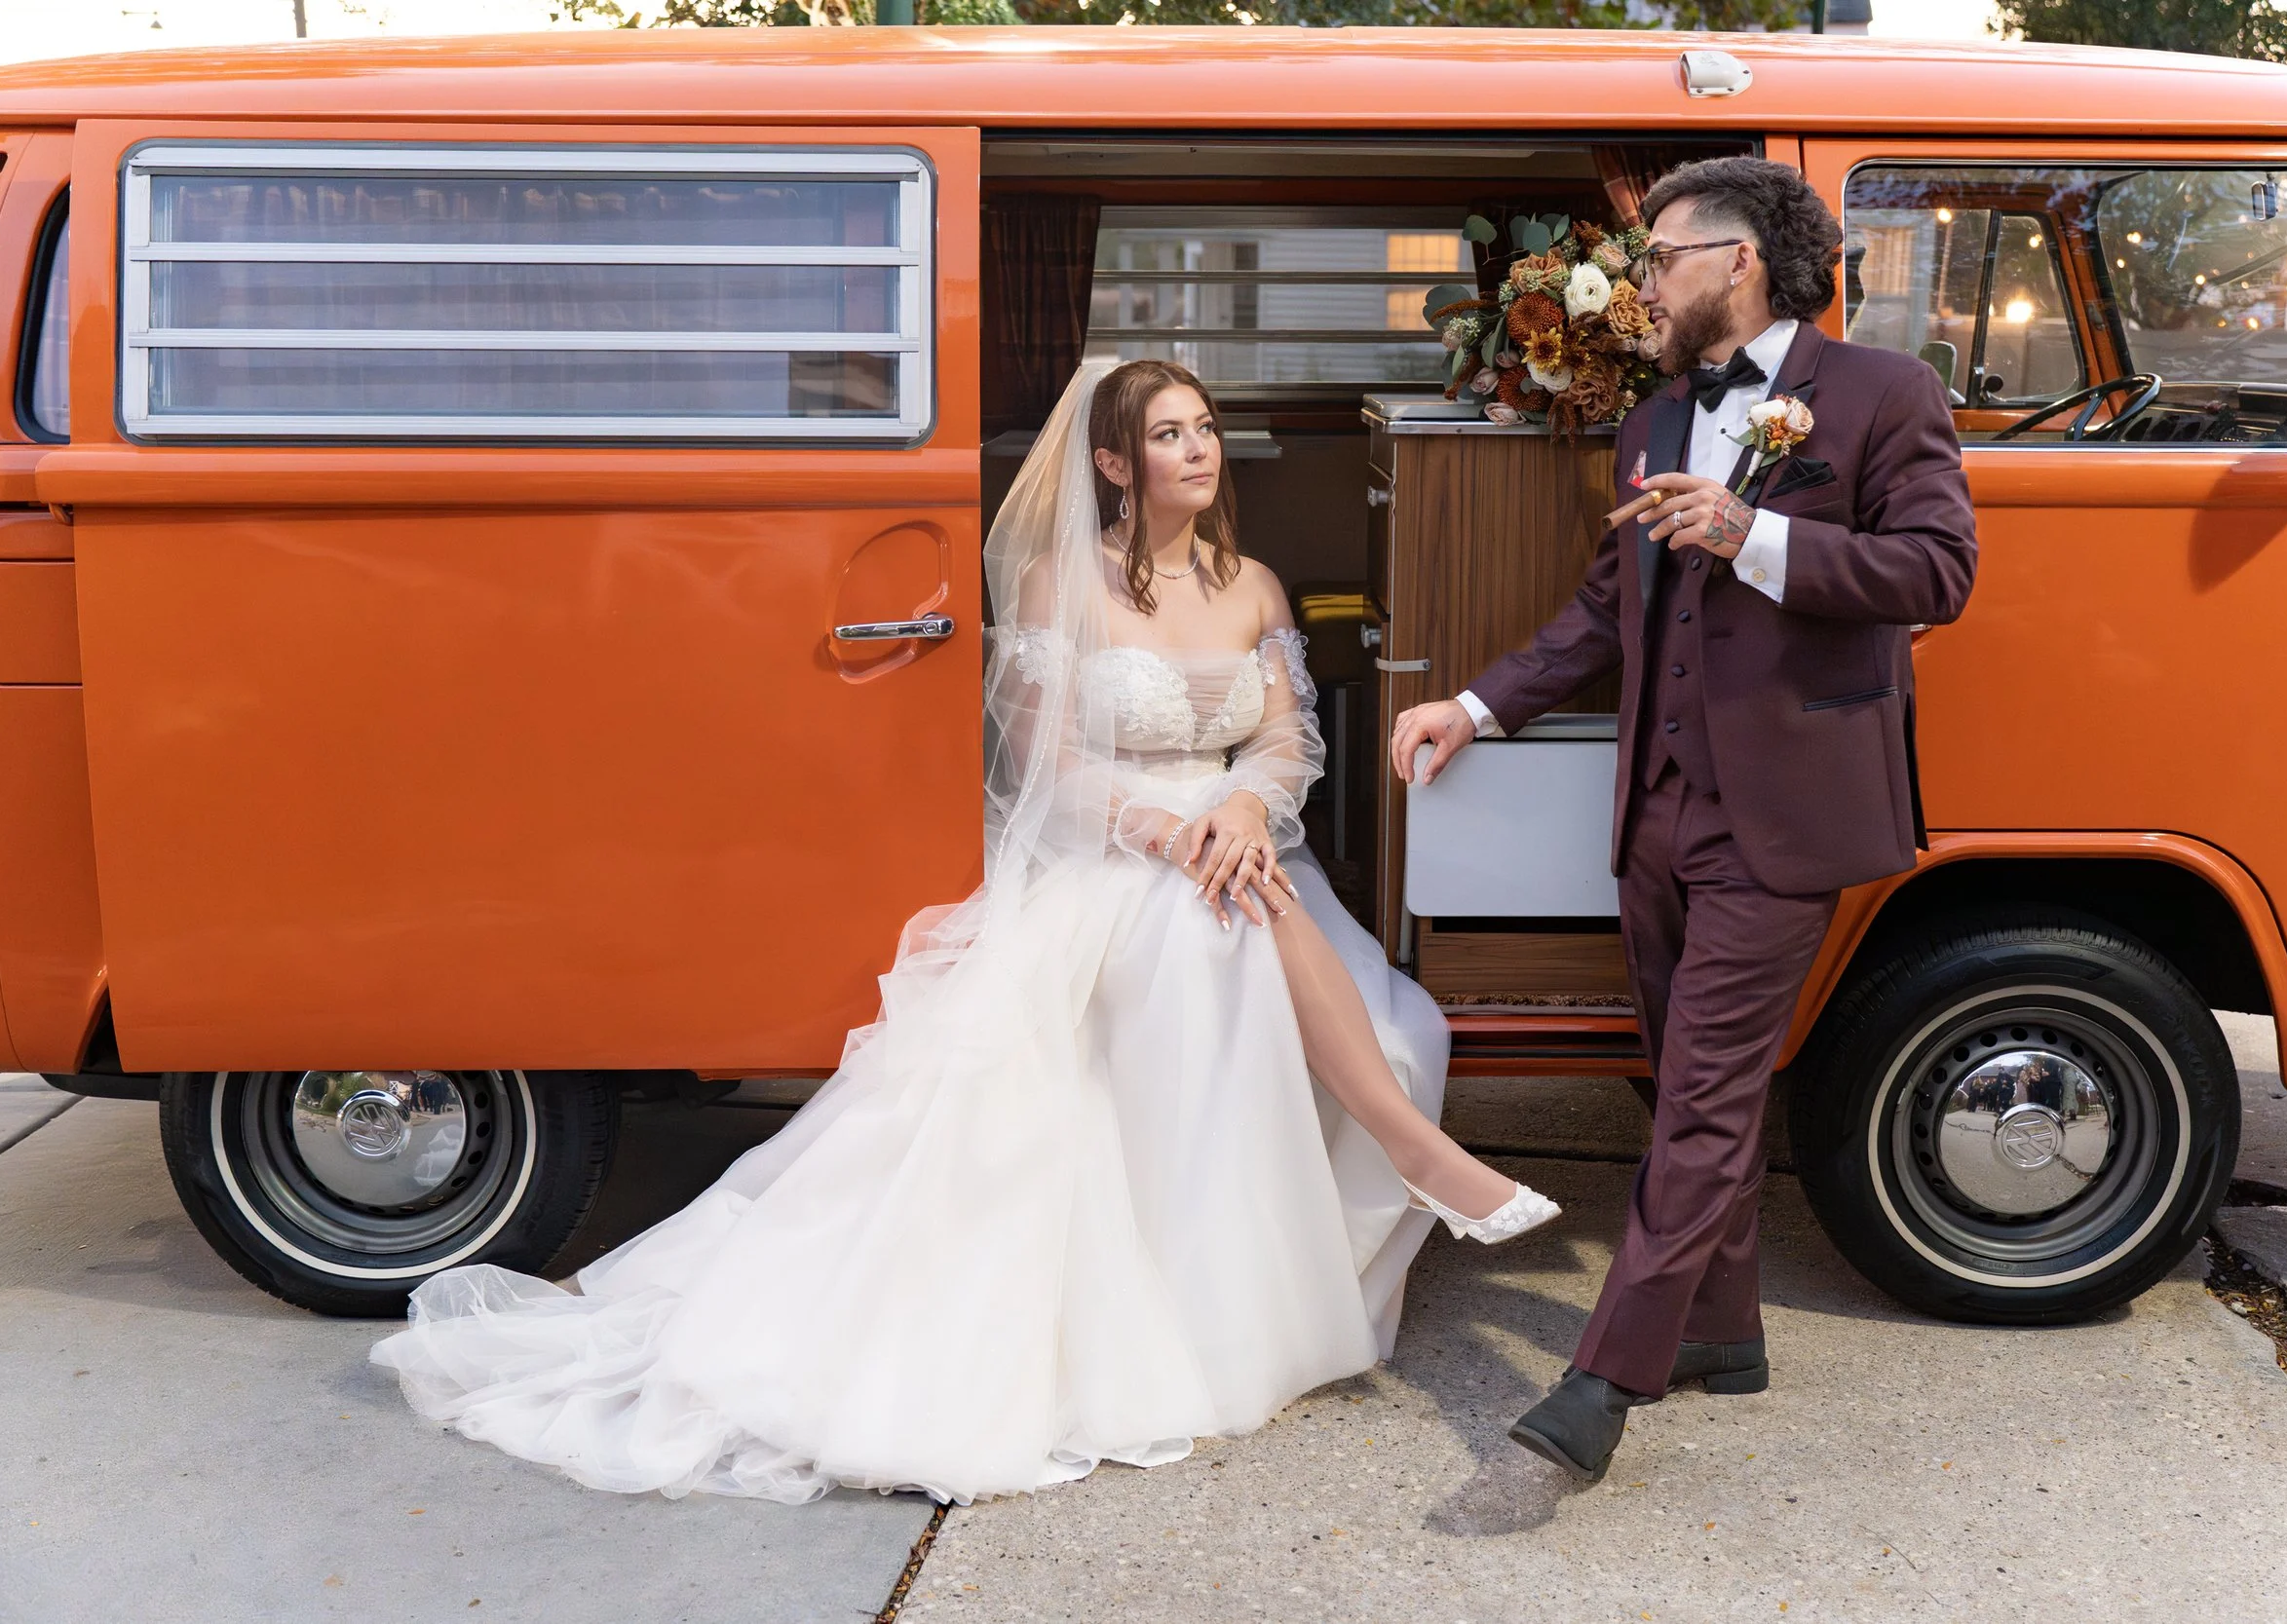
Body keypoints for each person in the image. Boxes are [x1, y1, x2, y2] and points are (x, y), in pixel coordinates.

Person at [371, 357, 1557, 1507]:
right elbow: (1046, 761)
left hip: (1240, 838)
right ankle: (1405, 1153)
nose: (1200, 450)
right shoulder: (1055, 582)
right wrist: (1165, 830)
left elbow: (1286, 737)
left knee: (1347, 978)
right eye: (1169, 435)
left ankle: (1372, 1162)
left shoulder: (1252, 582)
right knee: (1224, 935)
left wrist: (1246, 807)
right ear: (1114, 463)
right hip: (1114, 852)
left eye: (1203, 428)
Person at [1391, 156, 1977, 1484]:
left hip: (1784, 813)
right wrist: (1474, 707)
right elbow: (1611, 605)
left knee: (1704, 1097)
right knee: (1688, 1083)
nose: (1643, 284)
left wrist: (1749, 532)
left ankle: (1607, 1377)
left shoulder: (1884, 393)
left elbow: (1939, 571)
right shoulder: (1656, 417)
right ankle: (1722, 1327)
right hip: (1656, 813)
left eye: (1660, 258)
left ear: (1740, 262)